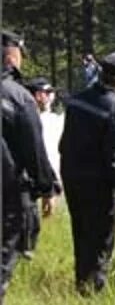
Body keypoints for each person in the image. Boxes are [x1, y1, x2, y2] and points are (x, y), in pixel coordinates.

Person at [59, 50, 115, 294]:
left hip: (72, 176)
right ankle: (92, 293)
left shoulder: (77, 99)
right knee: (101, 241)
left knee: (81, 235)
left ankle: (81, 283)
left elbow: (65, 142)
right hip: (100, 185)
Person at [0, 31, 57, 293]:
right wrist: (47, 188)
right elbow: (34, 149)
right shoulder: (19, 97)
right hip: (8, 190)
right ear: (12, 58)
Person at [18, 76, 62, 259]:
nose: (52, 96)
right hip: (26, 180)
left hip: (43, 177)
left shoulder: (52, 119)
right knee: (28, 222)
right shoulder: (28, 120)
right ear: (38, 95)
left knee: (37, 222)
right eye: (48, 93)